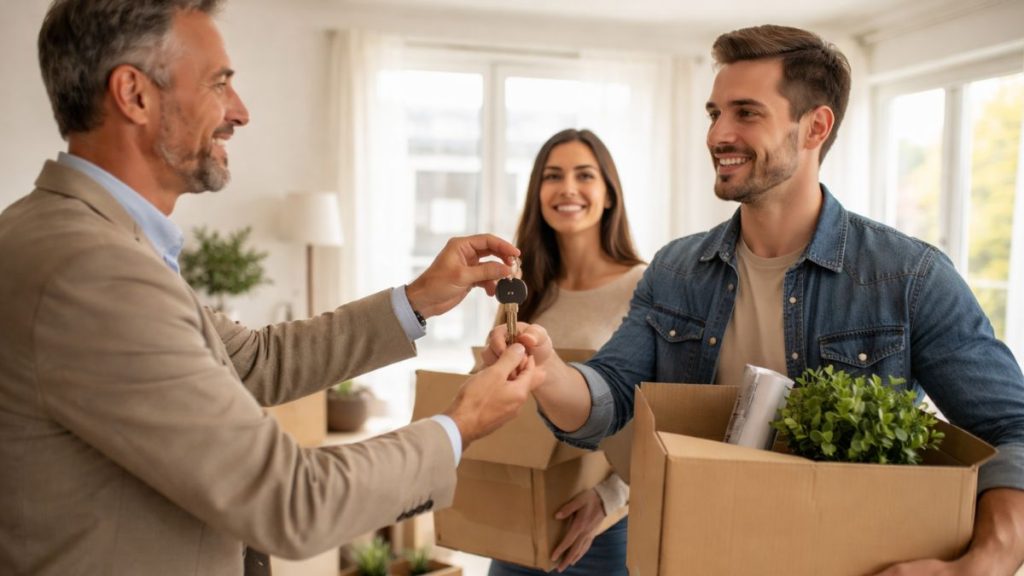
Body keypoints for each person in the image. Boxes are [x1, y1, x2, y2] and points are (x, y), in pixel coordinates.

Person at [0, 2, 543, 575]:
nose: (240, 112)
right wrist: (459, 425)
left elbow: (251, 360)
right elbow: (292, 499)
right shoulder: (91, 271)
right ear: (134, 95)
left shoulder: (86, 239)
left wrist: (417, 300)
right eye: (219, 84)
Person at [483, 24, 1024, 575]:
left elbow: (1014, 427)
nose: (719, 133)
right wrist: (545, 370)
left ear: (815, 126)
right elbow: (610, 397)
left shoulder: (906, 276)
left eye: (746, 112)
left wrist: (983, 563)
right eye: (714, 113)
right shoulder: (676, 271)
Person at [486, 129, 645, 576]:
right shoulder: (524, 292)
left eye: (584, 175)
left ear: (609, 194)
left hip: (604, 530)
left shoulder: (644, 287)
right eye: (553, 176)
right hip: (522, 517)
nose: (568, 188)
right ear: (539, 192)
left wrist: (608, 499)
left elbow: (661, 418)